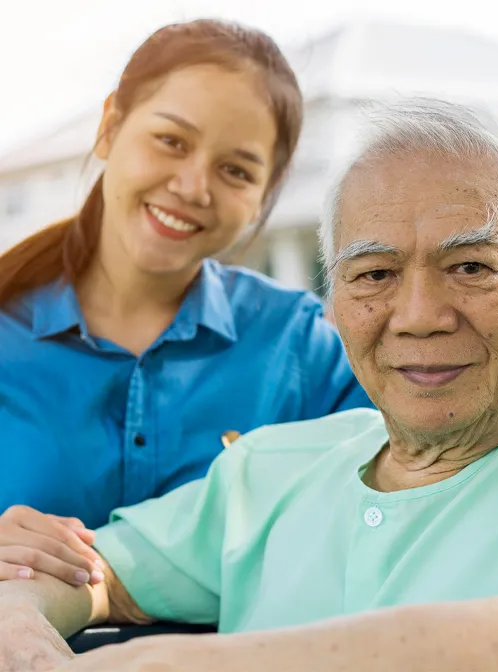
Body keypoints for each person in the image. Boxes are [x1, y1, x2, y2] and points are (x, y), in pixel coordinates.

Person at [4, 96, 498, 672]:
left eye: (471, 267)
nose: (418, 315)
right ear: (333, 300)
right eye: (375, 273)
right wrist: (22, 625)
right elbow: (87, 572)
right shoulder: (268, 468)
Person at [0, 19, 373, 585]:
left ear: (263, 196)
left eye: (235, 170)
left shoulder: (302, 348)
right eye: (171, 141)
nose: (194, 187)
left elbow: (409, 494)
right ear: (109, 127)